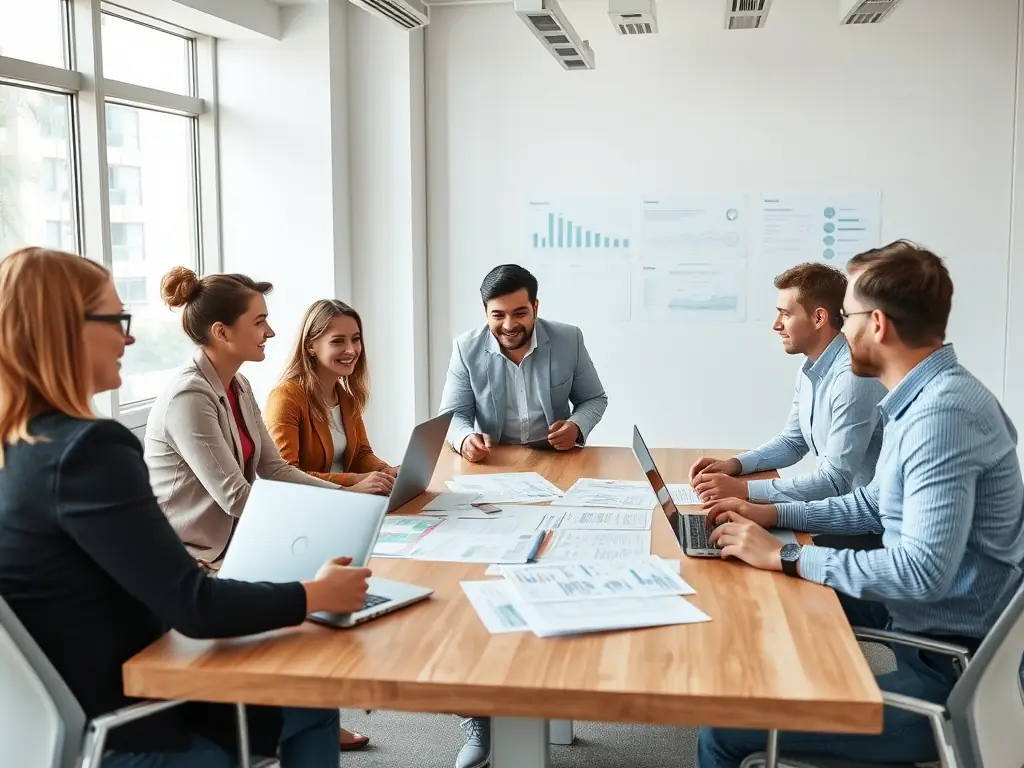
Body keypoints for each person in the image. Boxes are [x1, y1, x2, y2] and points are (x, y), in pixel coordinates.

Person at [0, 246, 372, 768]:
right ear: (65, 331)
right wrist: (315, 594)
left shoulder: (23, 449)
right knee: (312, 700)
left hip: (61, 728)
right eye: (116, 319)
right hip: (129, 730)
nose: (128, 337)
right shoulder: (89, 451)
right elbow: (195, 607)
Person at [696, 241, 1024, 767]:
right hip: (928, 625)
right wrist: (774, 516)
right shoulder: (922, 398)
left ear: (878, 325)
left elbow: (920, 574)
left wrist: (786, 554)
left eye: (846, 316)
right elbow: (873, 505)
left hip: (951, 672)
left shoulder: (943, 417)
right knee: (767, 599)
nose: (839, 330)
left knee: (725, 731)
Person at [145, 267, 342, 567]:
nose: (270, 332)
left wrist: (346, 498)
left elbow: (275, 469)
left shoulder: (239, 385)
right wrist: (316, 517)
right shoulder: (189, 397)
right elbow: (235, 496)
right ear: (222, 332)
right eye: (260, 322)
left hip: (234, 549)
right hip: (191, 562)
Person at [690, 263, 885, 510]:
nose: (776, 324)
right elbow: (794, 442)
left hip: (868, 526)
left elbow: (835, 481)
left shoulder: (854, 377)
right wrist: (735, 465)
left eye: (785, 314)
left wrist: (743, 489)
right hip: (838, 511)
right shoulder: (812, 367)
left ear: (819, 318)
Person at [438, 264, 608, 464]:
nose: (509, 326)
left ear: (535, 308)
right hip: (494, 461)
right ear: (486, 312)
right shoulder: (465, 348)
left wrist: (576, 426)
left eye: (519, 314)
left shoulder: (569, 339)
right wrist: (464, 439)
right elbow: (453, 415)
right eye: (498, 315)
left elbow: (594, 398)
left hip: (556, 458)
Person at [266, 299, 398, 497]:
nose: (351, 350)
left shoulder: (346, 396)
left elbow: (361, 454)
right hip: (312, 505)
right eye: (337, 341)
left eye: (356, 339)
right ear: (311, 346)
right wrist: (353, 482)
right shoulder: (285, 397)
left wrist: (386, 472)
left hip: (345, 498)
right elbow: (285, 475)